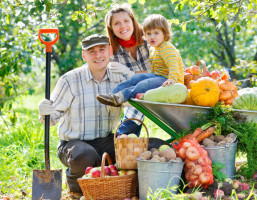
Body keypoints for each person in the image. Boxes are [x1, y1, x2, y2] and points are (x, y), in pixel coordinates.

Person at [38, 34, 125, 199]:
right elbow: (51, 120)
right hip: (73, 145)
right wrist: (45, 111)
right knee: (85, 155)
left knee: (133, 150)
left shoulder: (118, 79)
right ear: (84, 55)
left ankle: (113, 184)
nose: (98, 55)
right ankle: (76, 190)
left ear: (110, 51)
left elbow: (133, 104)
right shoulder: (70, 80)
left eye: (102, 50)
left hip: (105, 141)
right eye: (92, 51)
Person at [96, 14, 185, 107]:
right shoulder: (154, 48)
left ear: (165, 34)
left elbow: (173, 65)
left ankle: (121, 97)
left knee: (145, 84)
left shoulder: (166, 48)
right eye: (148, 34)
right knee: (137, 77)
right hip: (159, 76)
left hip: (171, 82)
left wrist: (172, 78)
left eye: (156, 33)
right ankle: (112, 94)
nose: (152, 37)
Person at [97, 4, 151, 137]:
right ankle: (124, 141)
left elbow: (164, 69)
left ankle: (122, 135)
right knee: (137, 100)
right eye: (117, 23)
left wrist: (130, 73)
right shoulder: (112, 53)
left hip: (164, 86)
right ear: (111, 28)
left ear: (133, 21)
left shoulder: (149, 40)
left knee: (138, 99)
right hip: (136, 98)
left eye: (126, 21)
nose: (123, 26)